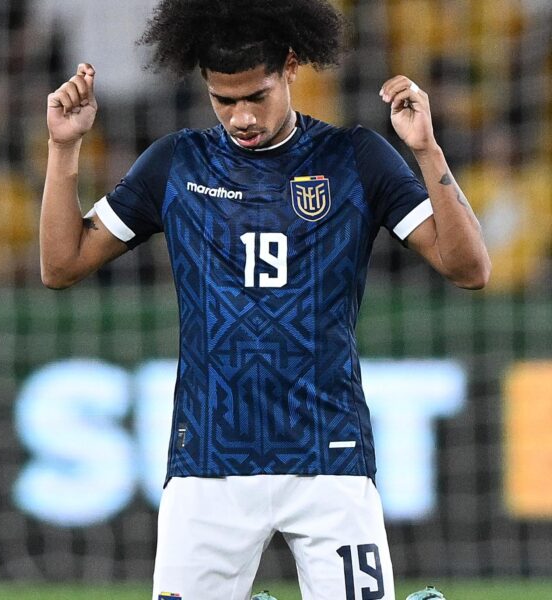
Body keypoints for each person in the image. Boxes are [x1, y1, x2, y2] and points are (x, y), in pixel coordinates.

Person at [39, 1, 491, 598]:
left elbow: (470, 268)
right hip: (208, 461)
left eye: (257, 95)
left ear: (291, 67)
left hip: (330, 457)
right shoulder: (177, 163)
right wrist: (64, 149)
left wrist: (427, 149)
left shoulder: (355, 157)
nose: (242, 117)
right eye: (224, 101)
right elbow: (60, 265)